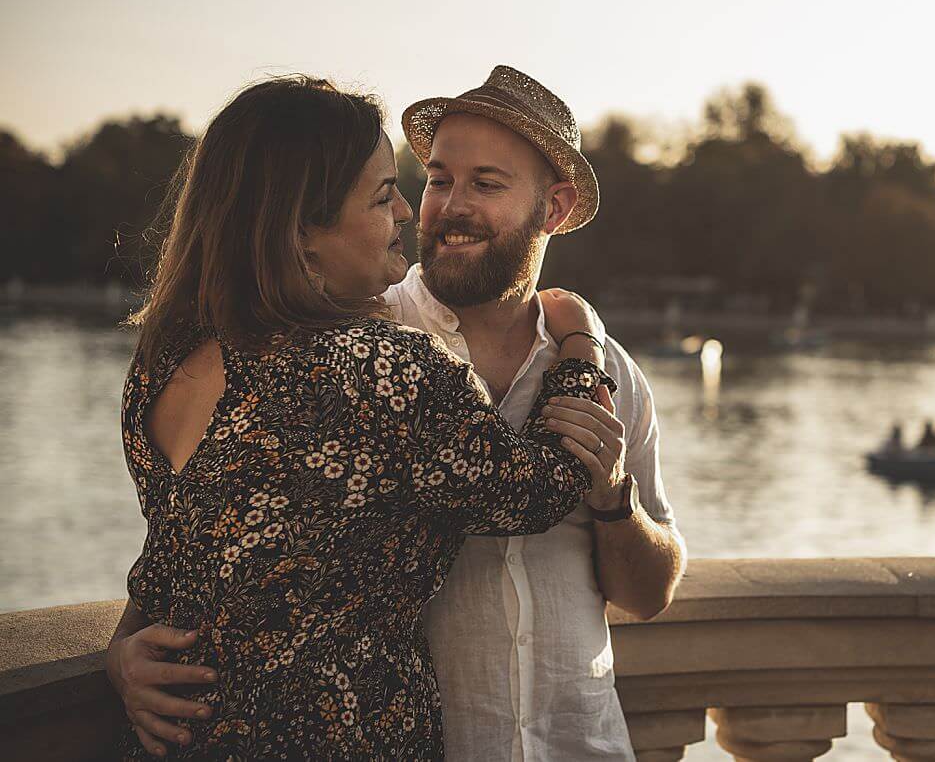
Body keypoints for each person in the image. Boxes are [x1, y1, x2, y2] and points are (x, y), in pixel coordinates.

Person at [110, 66, 687, 761]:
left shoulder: (167, 363)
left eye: (486, 183)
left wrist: (613, 492)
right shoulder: (383, 358)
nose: (432, 207)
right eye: (432, 179)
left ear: (554, 208)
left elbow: (189, 545)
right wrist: (582, 336)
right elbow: (536, 487)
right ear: (305, 230)